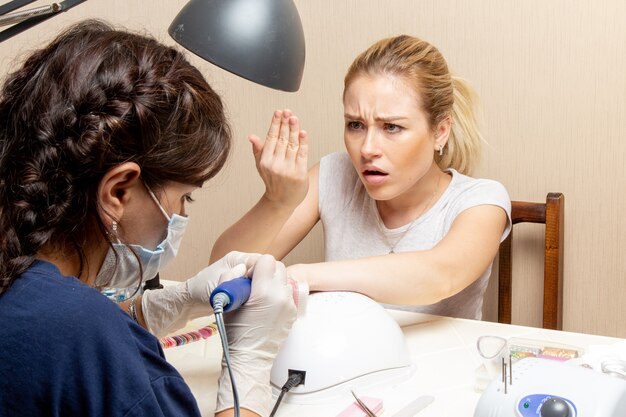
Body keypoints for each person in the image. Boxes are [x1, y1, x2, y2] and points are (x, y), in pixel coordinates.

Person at [0, 20, 296, 417]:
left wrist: (164, 305)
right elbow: (72, 337)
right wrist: (249, 369)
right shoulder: (86, 338)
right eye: (184, 197)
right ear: (119, 190)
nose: (181, 214)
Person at [211, 35, 511, 320]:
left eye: (391, 127)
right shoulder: (334, 174)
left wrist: (303, 275)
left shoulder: (481, 200)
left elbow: (440, 276)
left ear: (440, 131)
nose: (367, 149)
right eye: (355, 125)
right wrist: (276, 201)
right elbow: (219, 272)